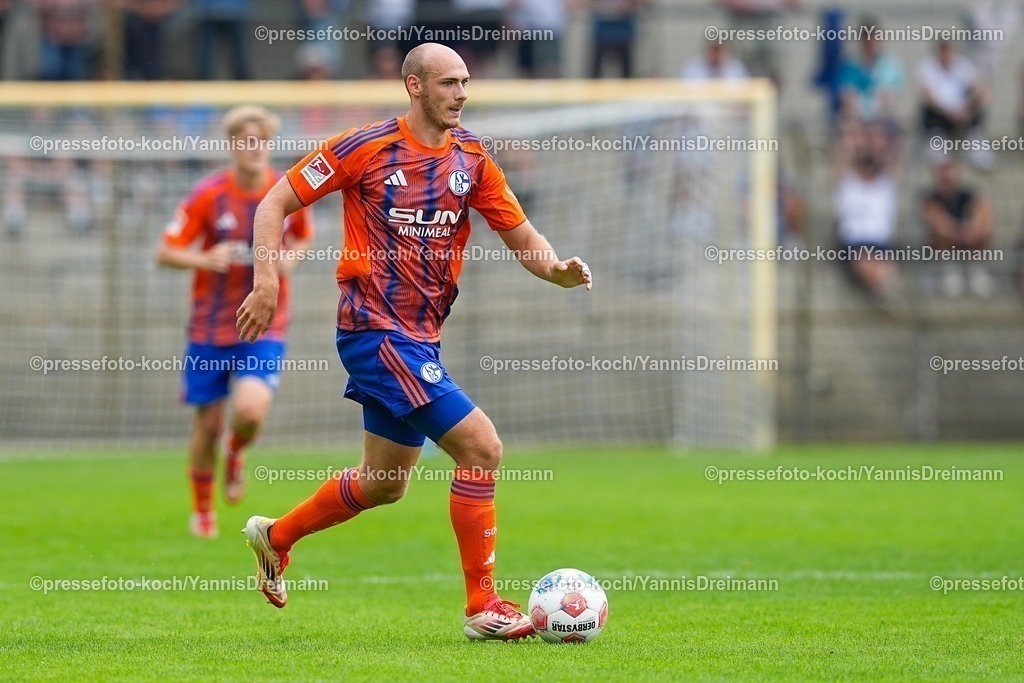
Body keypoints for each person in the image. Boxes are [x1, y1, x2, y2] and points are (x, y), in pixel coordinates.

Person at [236, 43, 592, 641]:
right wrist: (266, 281)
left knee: (385, 483)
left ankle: (276, 536)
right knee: (481, 447)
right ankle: (482, 604)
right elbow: (276, 200)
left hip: (420, 338)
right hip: (374, 330)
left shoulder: (473, 158)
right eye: (449, 83)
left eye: (465, 83)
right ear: (414, 87)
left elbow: (520, 232)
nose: (461, 93)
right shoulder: (364, 146)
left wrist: (555, 269)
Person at [156, 106, 314, 538]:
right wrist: (203, 258)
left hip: (263, 325)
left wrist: (289, 260)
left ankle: (236, 448)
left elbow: (302, 234)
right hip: (210, 329)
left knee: (248, 411)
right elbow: (166, 251)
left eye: (261, 140)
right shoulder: (208, 195)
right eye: (245, 140)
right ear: (232, 146)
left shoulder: (285, 192)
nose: (254, 148)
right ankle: (203, 510)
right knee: (206, 425)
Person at [921, 159, 994, 298]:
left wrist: (973, 229)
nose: (947, 179)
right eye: (943, 176)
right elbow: (936, 221)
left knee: (983, 227)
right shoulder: (930, 198)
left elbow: (984, 212)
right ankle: (948, 268)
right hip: (944, 246)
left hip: (967, 240)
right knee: (940, 235)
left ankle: (974, 267)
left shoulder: (968, 195)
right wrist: (957, 232)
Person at [917, 40, 991, 169]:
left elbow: (981, 90)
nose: (945, 55)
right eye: (942, 51)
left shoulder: (964, 65)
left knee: (979, 103)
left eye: (948, 51)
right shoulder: (927, 66)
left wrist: (967, 109)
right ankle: (938, 144)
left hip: (963, 111)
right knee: (927, 110)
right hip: (940, 113)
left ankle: (975, 143)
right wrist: (949, 112)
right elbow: (927, 96)